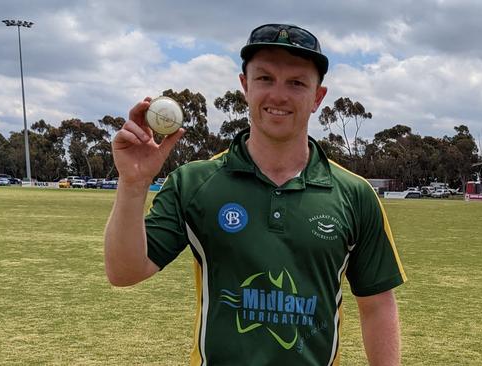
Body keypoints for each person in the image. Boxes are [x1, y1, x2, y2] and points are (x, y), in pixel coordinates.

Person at [105, 23, 407, 365]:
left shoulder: (354, 194)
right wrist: (132, 184)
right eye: (265, 79)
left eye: (296, 83)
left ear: (317, 97)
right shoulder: (195, 183)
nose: (278, 95)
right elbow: (125, 272)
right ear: (245, 86)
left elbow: (377, 305)